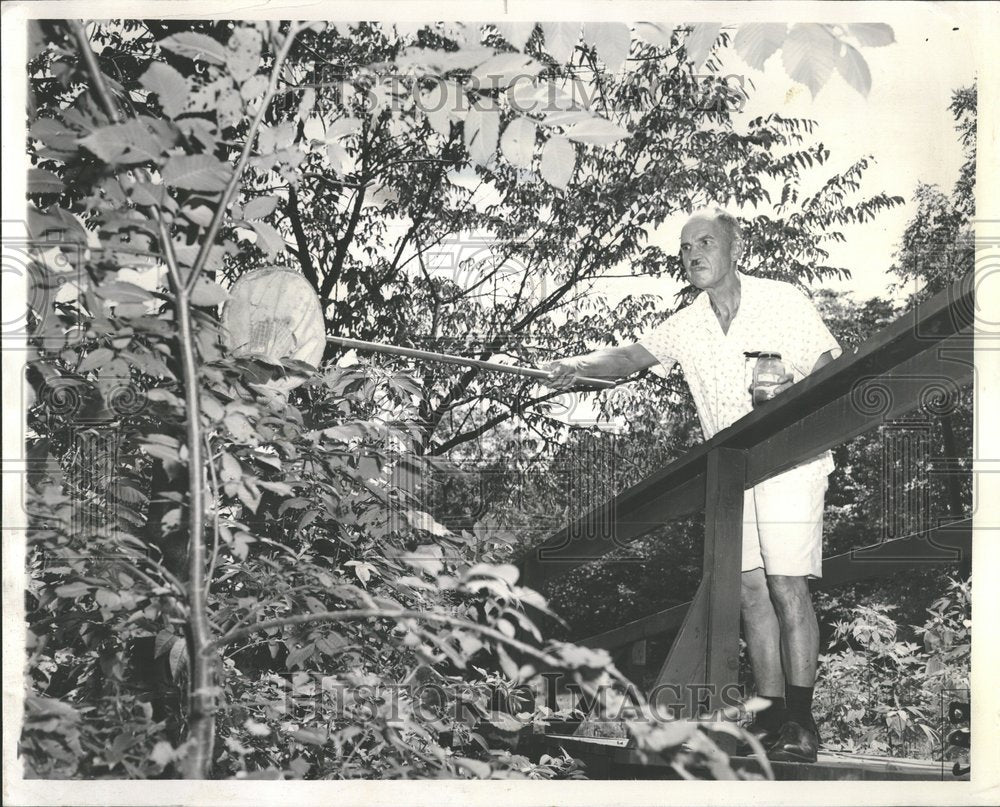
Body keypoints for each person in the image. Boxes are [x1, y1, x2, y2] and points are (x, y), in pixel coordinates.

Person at [544, 208, 841, 763]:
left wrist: (786, 396)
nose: (694, 253)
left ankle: (802, 722)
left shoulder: (784, 301)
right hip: (734, 475)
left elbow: (828, 374)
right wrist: (575, 364)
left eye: (705, 242)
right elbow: (630, 357)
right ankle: (772, 716)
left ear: (735, 249)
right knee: (749, 591)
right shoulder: (687, 323)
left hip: (793, 460)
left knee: (786, 585)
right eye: (684, 248)